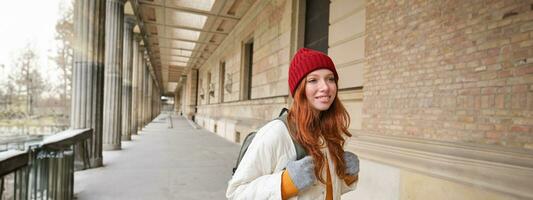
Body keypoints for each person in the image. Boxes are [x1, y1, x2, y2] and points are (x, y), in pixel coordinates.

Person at [226, 48, 359, 200]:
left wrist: (347, 177)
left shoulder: (329, 132)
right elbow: (236, 193)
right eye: (313, 80)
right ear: (299, 89)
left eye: (330, 79)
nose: (325, 87)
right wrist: (285, 184)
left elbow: (323, 190)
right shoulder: (276, 132)